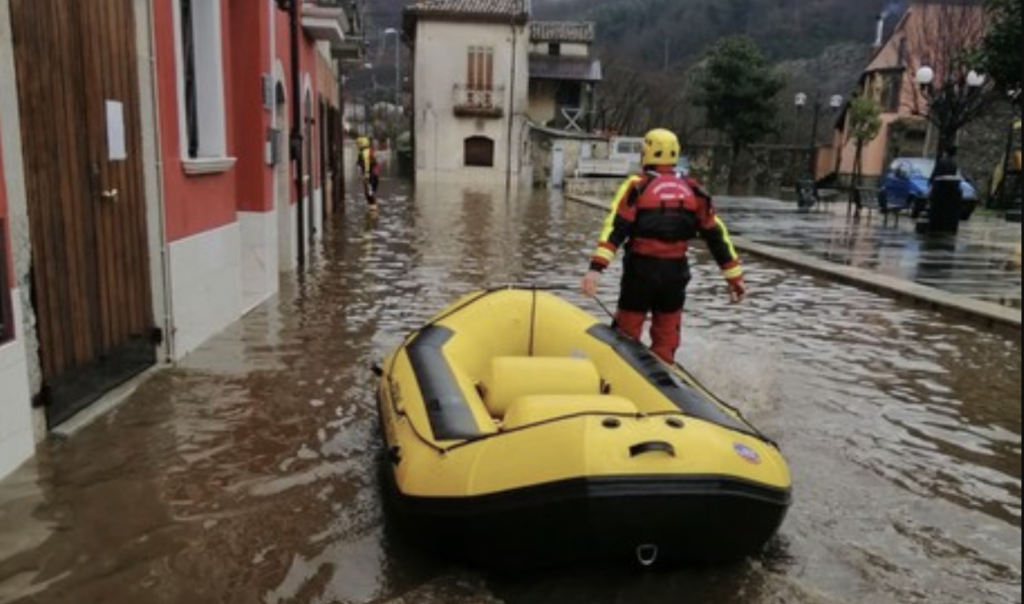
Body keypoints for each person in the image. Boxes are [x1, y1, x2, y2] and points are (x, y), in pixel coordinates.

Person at [581, 129, 747, 364]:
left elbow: (615, 229)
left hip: (641, 272)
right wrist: (734, 277)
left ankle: (620, 372)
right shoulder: (694, 190)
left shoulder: (636, 186)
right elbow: (716, 235)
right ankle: (665, 370)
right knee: (667, 333)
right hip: (675, 273)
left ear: (647, 153)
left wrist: (595, 269)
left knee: (627, 329)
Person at [927, 145, 963, 235]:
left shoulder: (941, 162)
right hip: (950, 190)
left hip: (939, 189)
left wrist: (930, 182)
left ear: (945, 152)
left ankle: (934, 228)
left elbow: (935, 173)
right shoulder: (954, 164)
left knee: (936, 210)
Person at [356, 136, 381, 212]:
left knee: (369, 192)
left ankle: (373, 209)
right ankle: (373, 207)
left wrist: (366, 176)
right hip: (373, 175)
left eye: (358, 144)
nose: (357, 146)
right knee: (370, 192)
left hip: (370, 175)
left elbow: (366, 164)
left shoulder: (364, 153)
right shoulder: (368, 151)